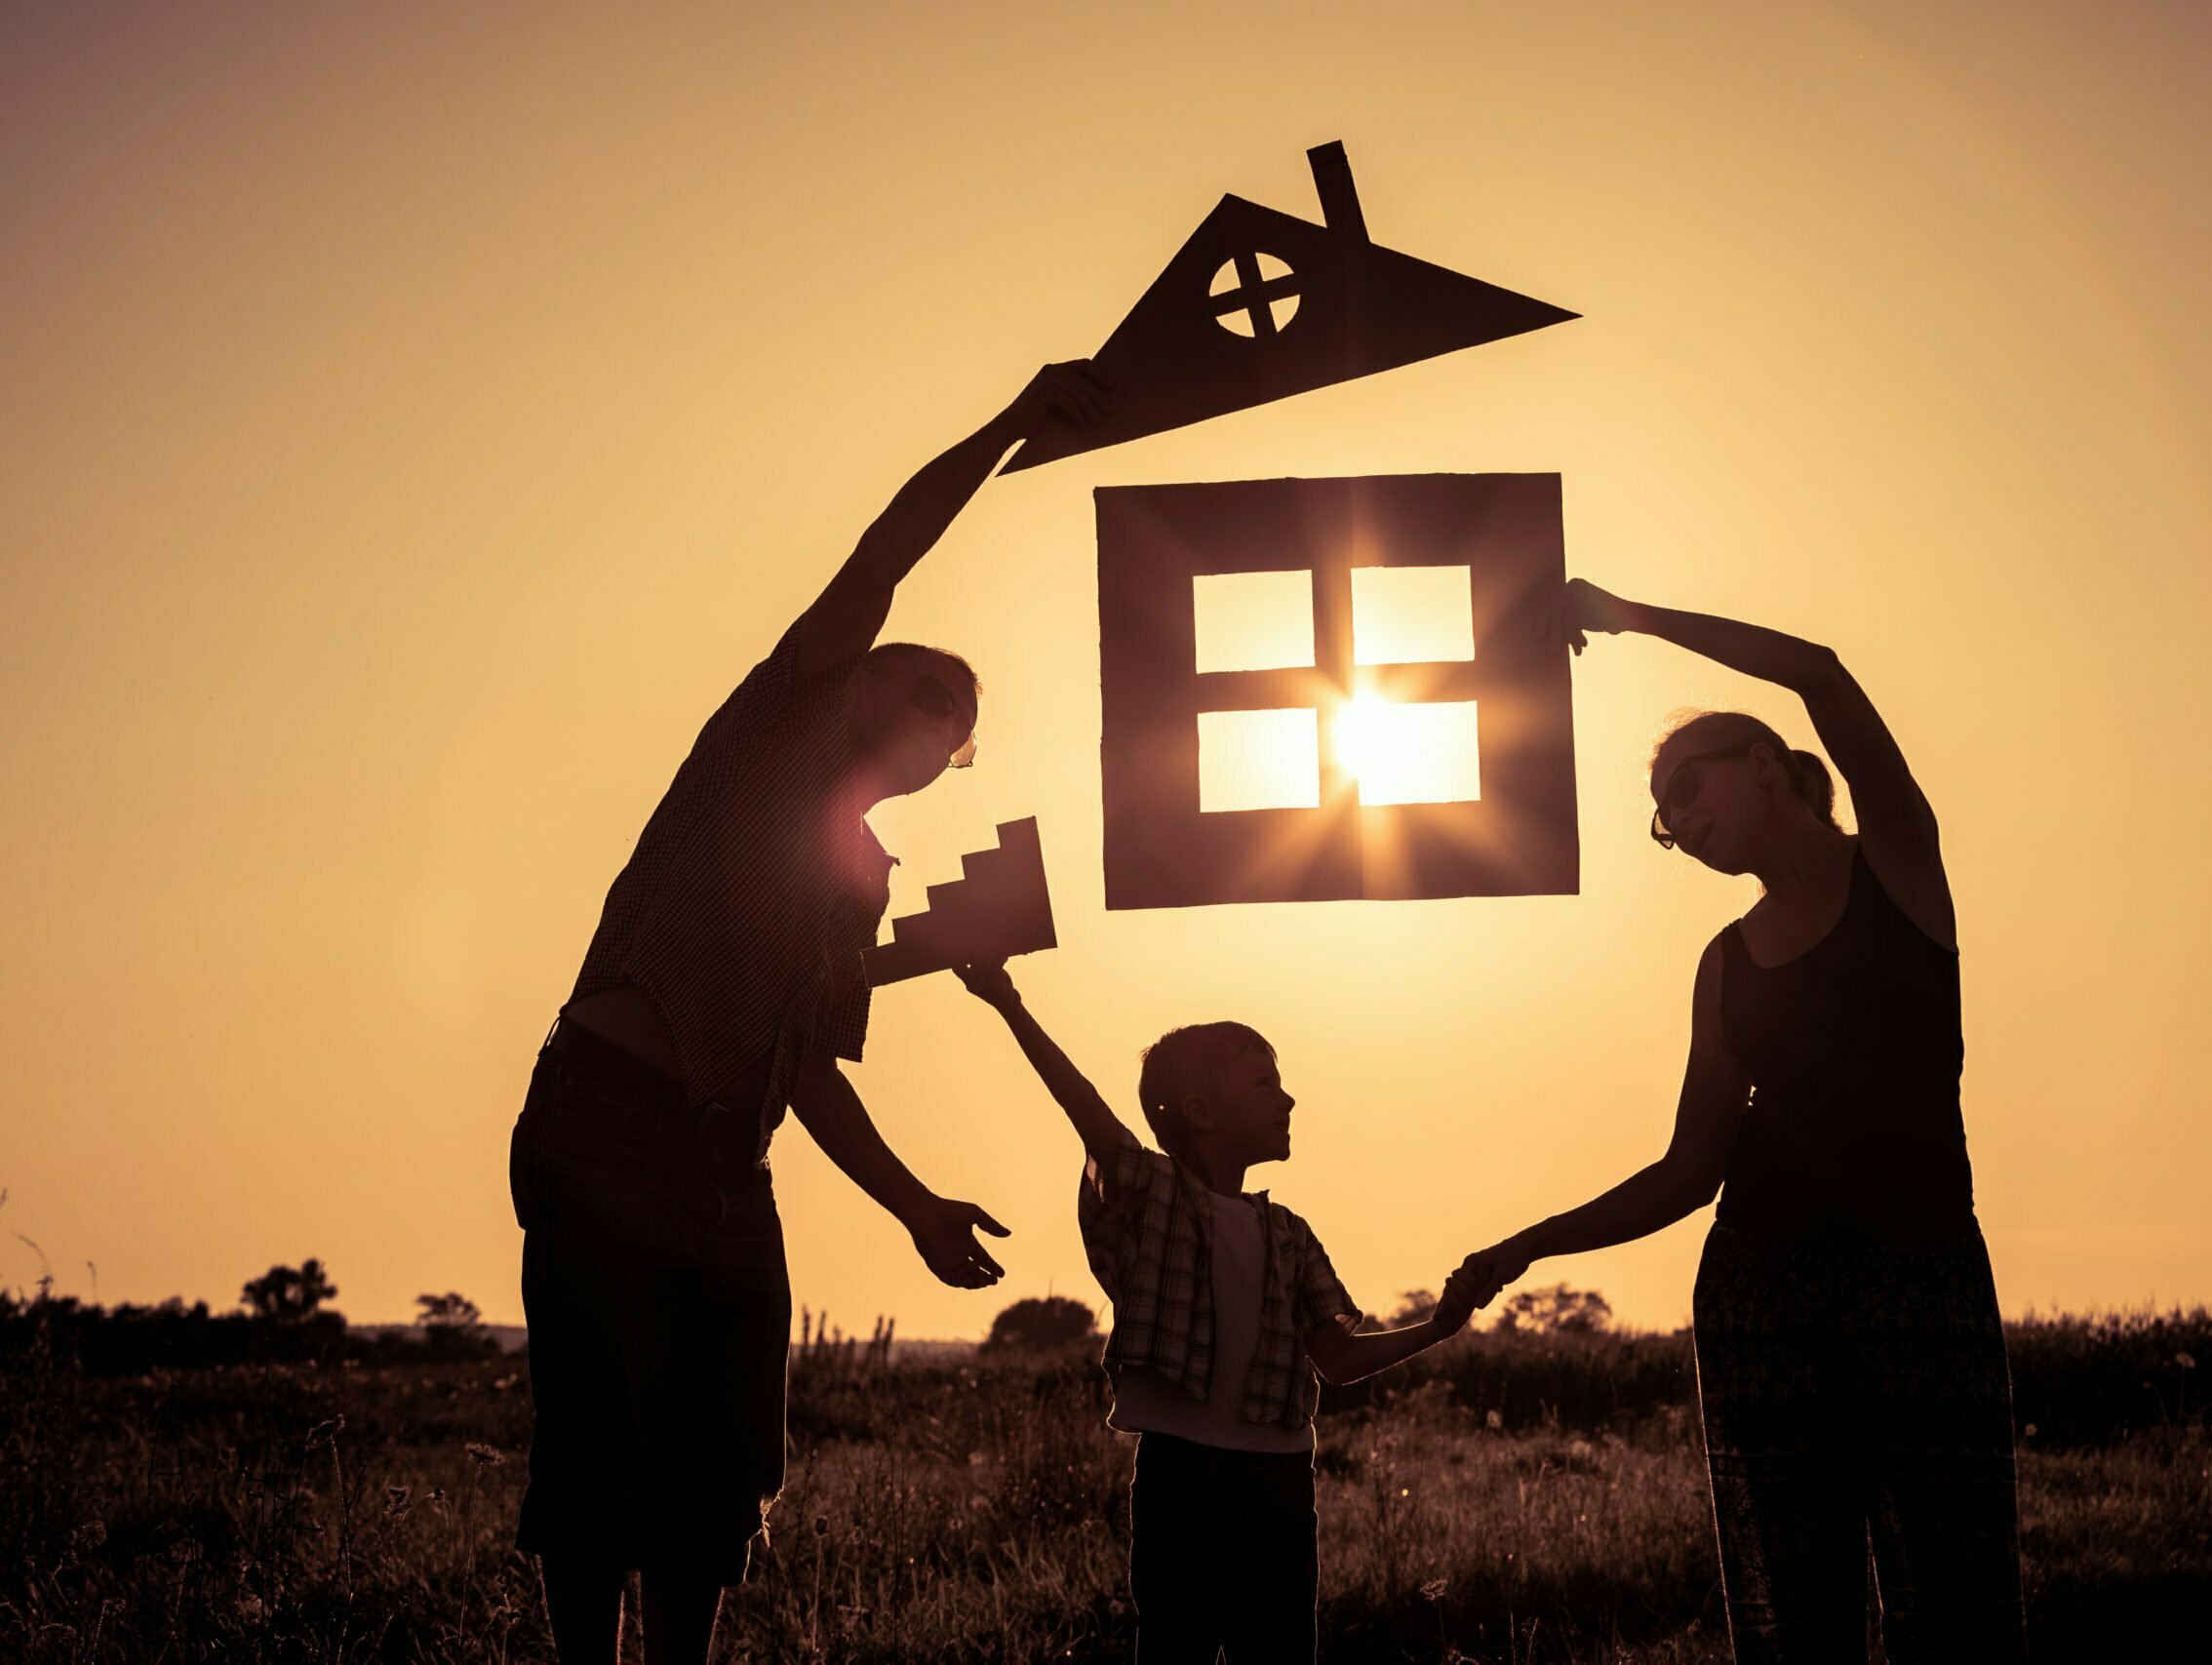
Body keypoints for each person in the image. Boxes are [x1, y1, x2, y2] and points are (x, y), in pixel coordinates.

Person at [507, 360, 1112, 1664]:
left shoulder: (861, 881)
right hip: (609, 1115)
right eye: (919, 693)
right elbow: (885, 551)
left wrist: (916, 1203)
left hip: (730, 1157)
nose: (937, 727)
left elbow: (809, 1073)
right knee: (600, 1443)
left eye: (955, 728)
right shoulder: (765, 732)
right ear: (851, 683)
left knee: (719, 1457)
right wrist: (1013, 422)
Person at [1443, 577, 2028, 1662]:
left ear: (1766, 764)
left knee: (1959, 1605)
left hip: (1922, 1284)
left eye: (1687, 787)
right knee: (1793, 1620)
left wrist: (1632, 617)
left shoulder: (1897, 864)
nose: (1678, 821)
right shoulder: (1724, 964)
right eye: (1664, 821)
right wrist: (1526, 1243)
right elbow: (1686, 1172)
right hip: (1763, 1303)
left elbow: (1818, 667)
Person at [953, 960, 1469, 1664]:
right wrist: (1008, 1003)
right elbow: (1085, 1107)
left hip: (1280, 1484)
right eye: (1265, 1084)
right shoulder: (1150, 1193)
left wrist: (1440, 1325)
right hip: (1181, 1476)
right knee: (1175, 1649)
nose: (1288, 1100)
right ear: (1199, 1111)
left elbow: (1340, 1359)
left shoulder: (1290, 1233)